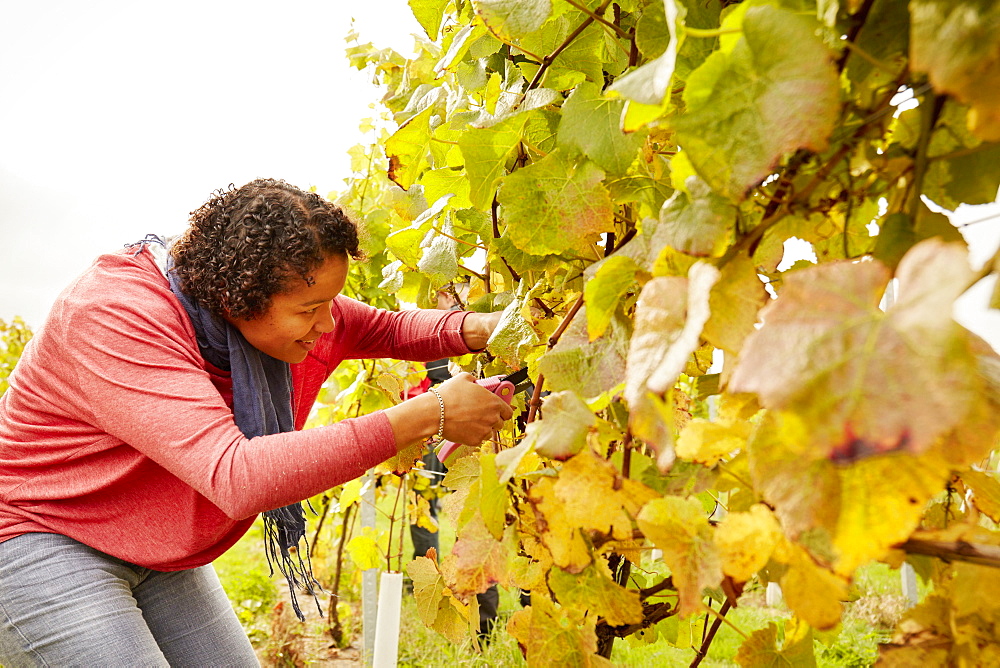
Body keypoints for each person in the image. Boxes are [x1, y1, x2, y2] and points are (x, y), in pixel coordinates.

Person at [0, 178, 512, 667]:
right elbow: (237, 475)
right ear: (236, 298)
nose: (329, 323)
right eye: (312, 308)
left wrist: (493, 328)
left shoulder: (275, 306)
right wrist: (428, 413)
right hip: (38, 536)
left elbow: (387, 327)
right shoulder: (115, 315)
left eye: (331, 301)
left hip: (146, 542)